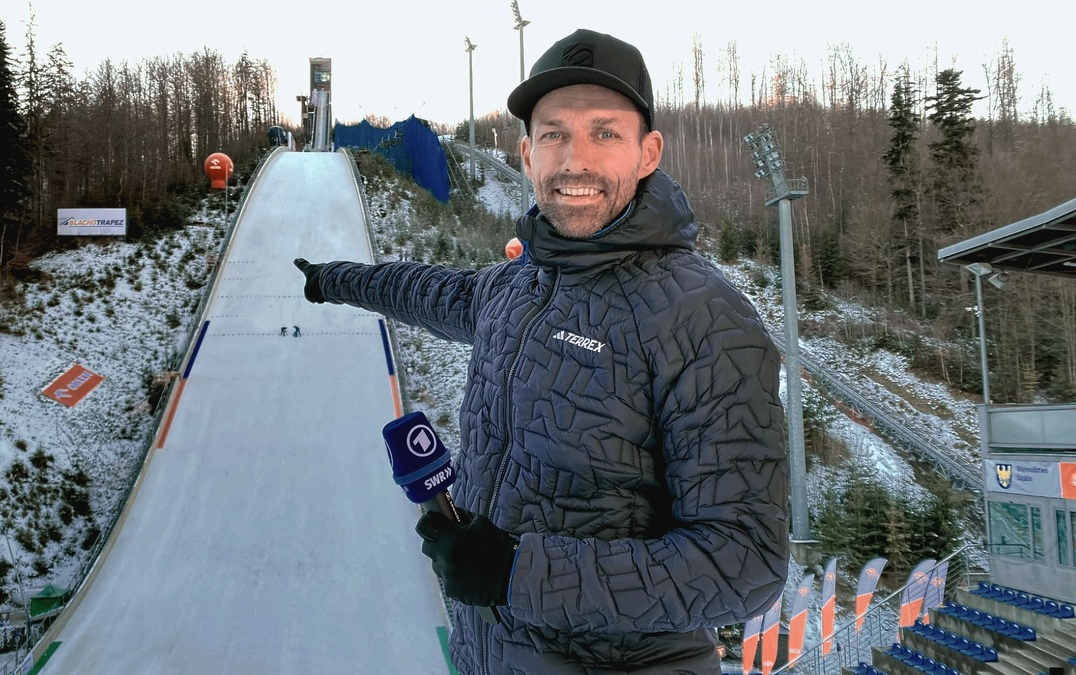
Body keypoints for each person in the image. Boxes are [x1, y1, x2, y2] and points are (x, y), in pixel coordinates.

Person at [294, 28, 789, 674]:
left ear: (648, 153)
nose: (574, 159)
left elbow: (743, 562)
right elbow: (425, 289)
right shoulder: (513, 289)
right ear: (527, 153)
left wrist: (516, 572)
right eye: (554, 133)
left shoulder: (703, 319)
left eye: (604, 132)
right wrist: (332, 279)